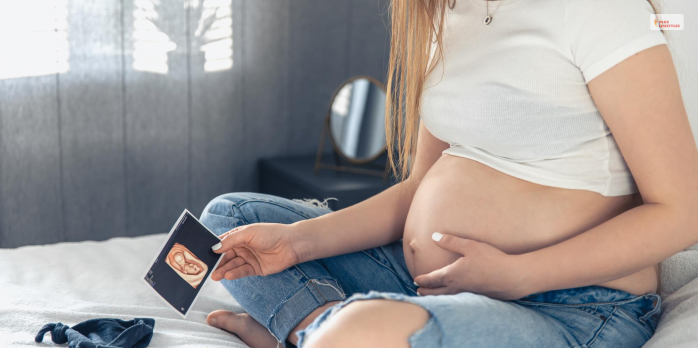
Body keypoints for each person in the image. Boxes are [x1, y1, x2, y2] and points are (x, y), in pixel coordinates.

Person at [199, 0, 697, 347]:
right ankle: (315, 331)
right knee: (228, 219)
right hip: (430, 283)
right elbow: (418, 188)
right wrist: (296, 244)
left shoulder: (599, 11)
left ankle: (313, 330)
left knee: (357, 332)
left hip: (566, 306)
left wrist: (519, 275)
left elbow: (682, 212)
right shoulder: (442, 10)